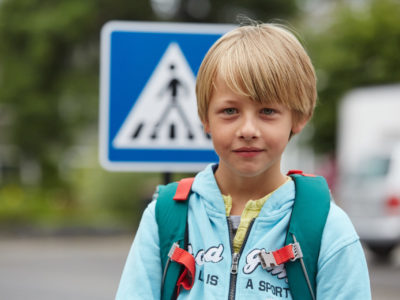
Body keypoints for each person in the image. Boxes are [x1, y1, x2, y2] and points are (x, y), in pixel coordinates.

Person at [116, 21, 371, 299]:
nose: (248, 130)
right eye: (229, 110)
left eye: (268, 111)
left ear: (298, 118)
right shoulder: (164, 217)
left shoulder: (328, 229)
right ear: (205, 118)